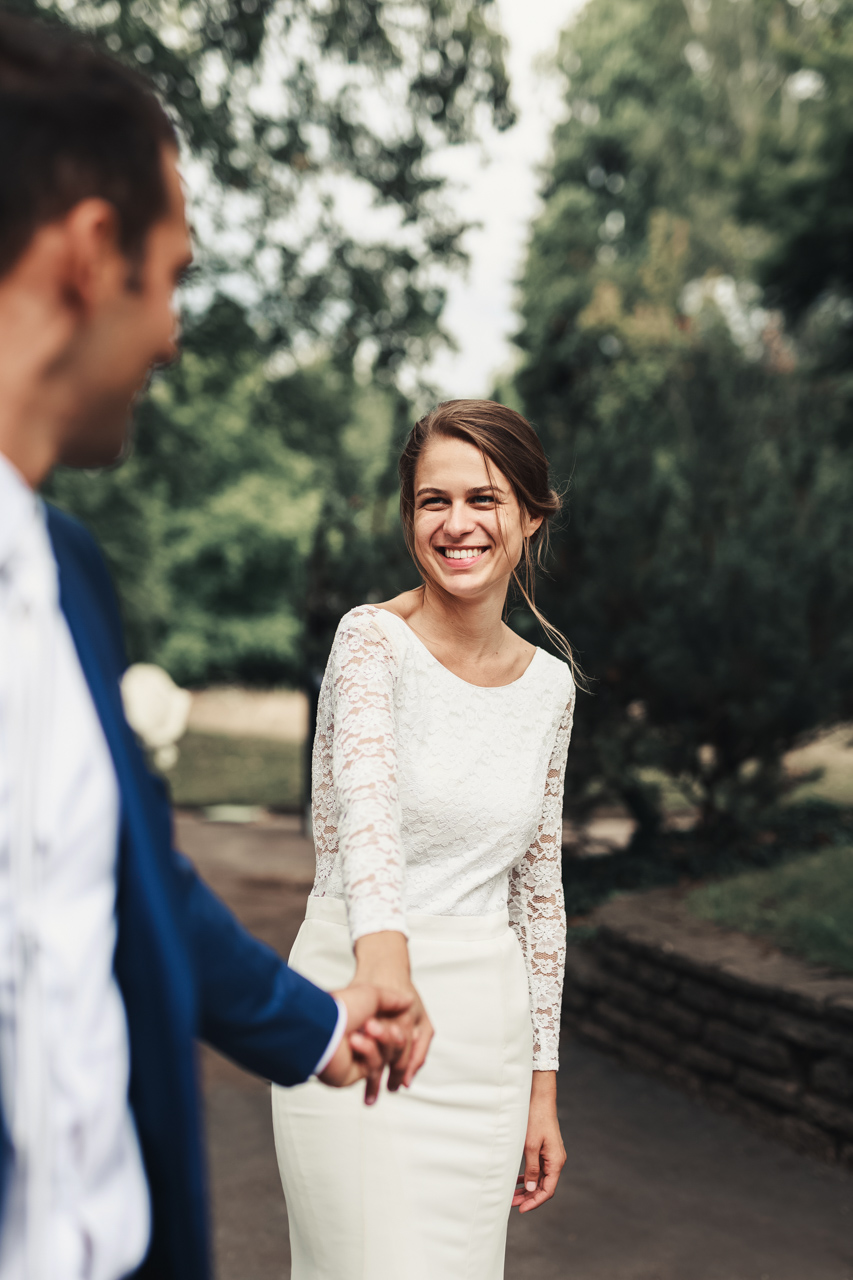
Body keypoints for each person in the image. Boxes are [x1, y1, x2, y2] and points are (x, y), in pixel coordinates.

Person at [0, 14, 421, 1280]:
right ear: (88, 255)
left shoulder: (65, 578)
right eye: (172, 276)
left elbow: (125, 878)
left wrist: (313, 1023)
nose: (176, 334)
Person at [273, 399, 578, 1278]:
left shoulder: (549, 688)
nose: (456, 524)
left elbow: (537, 888)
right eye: (431, 501)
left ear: (528, 514)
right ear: (409, 517)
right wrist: (383, 968)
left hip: (486, 1039)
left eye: (483, 499)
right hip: (359, 1008)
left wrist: (540, 1087)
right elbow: (364, 814)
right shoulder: (370, 642)